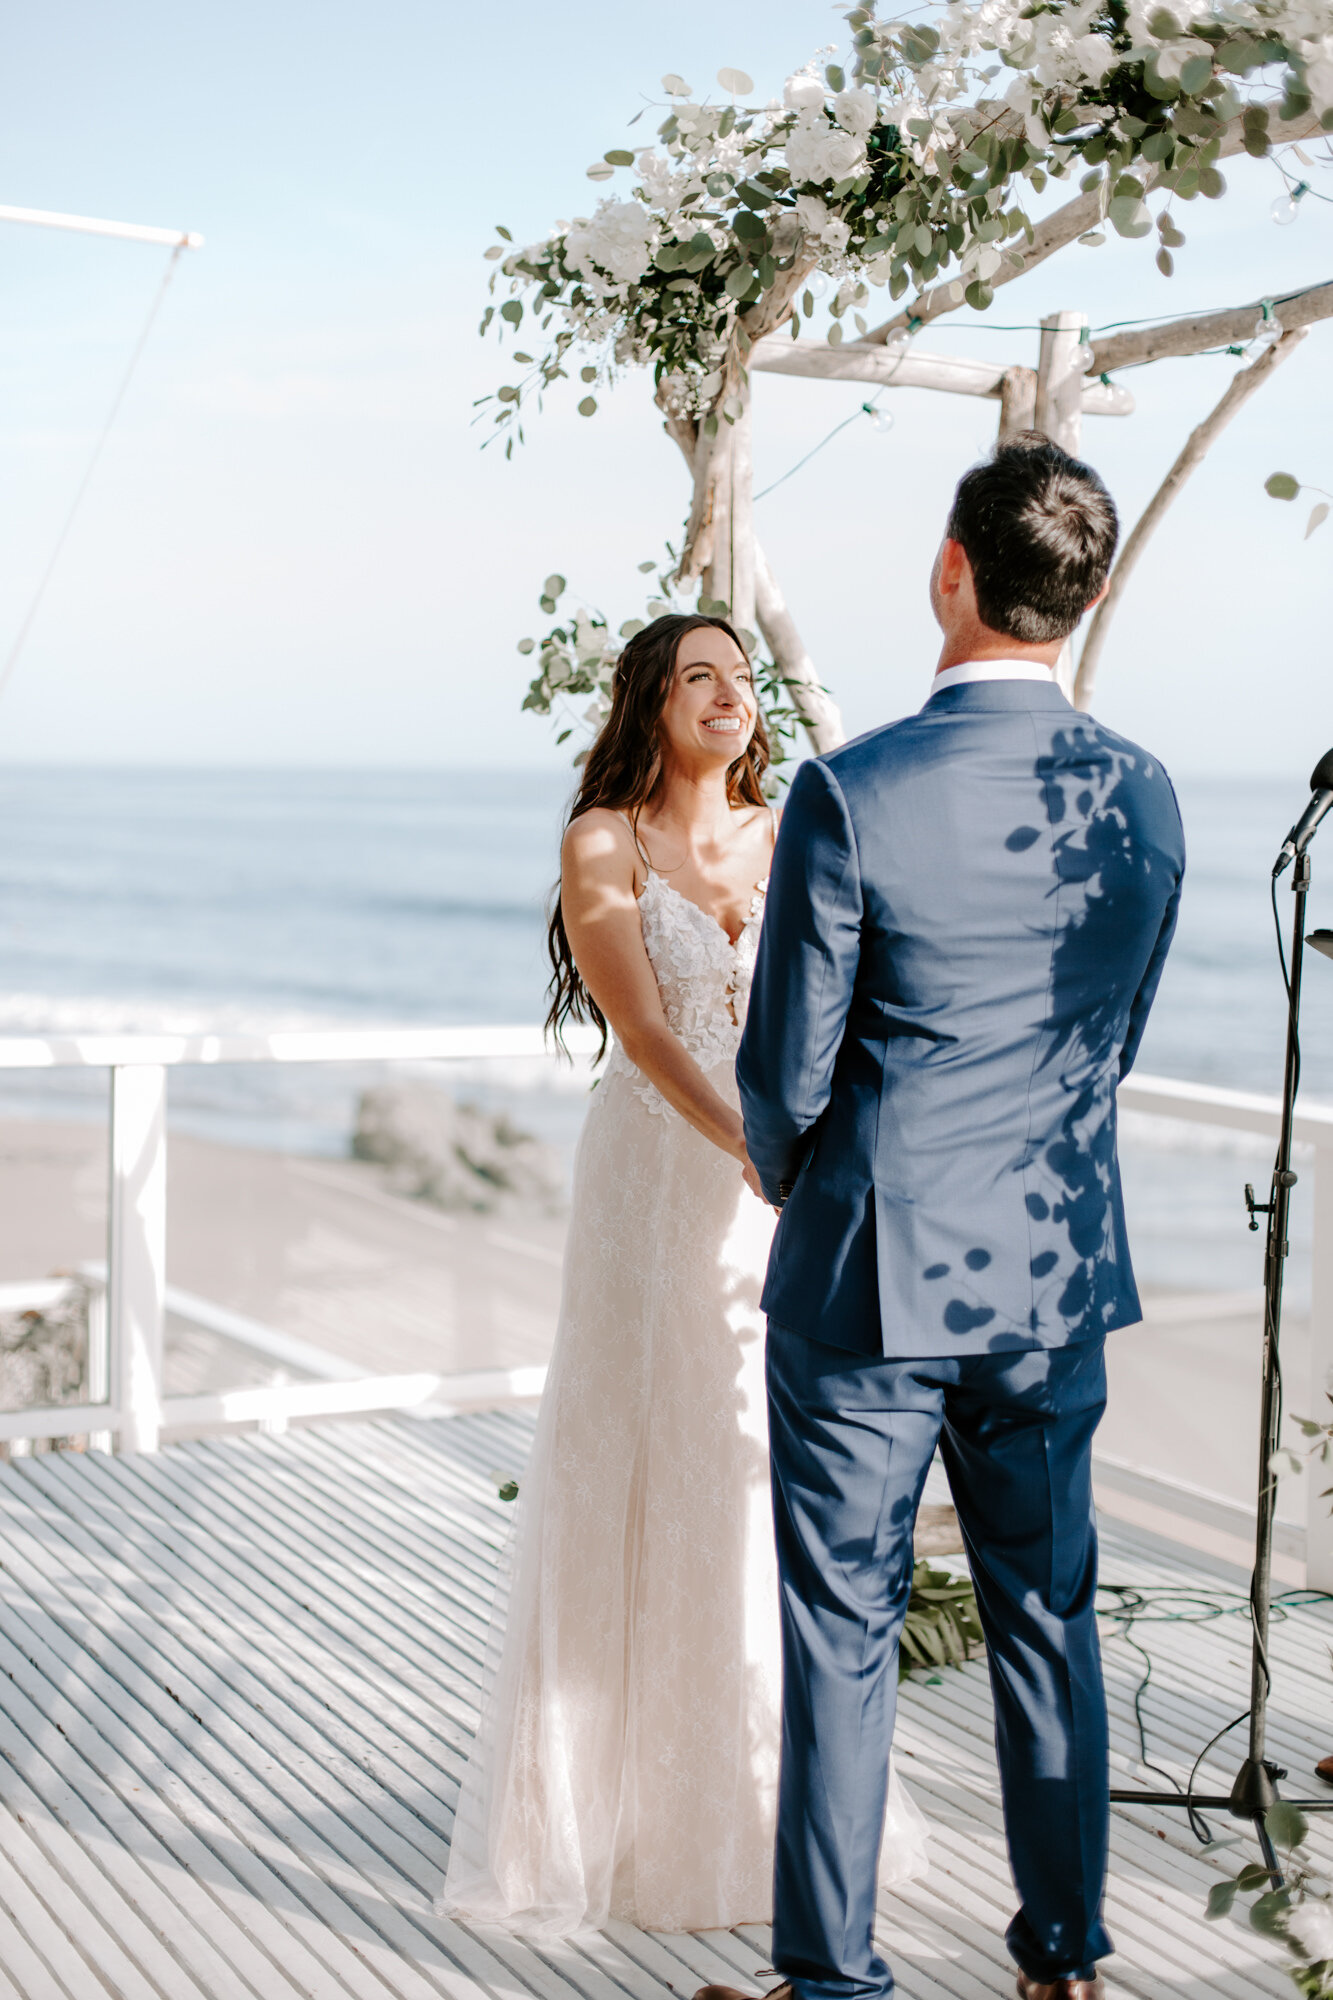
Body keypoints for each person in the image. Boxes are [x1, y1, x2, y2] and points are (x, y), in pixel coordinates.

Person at [714, 435, 1185, 2000]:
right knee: (1046, 1615)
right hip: (1050, 1276)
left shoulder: (854, 791)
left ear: (948, 566)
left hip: (864, 1281)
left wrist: (798, 1176)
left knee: (841, 1628)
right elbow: (1107, 1040)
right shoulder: (1144, 797)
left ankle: (834, 1980)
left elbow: (782, 1069)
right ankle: (1063, 1961)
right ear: (1093, 596)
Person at [438, 612, 927, 1937]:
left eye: (739, 675)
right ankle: (619, 1818)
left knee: (762, 1467)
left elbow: (859, 999)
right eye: (698, 676)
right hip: (661, 1179)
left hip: (784, 1184)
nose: (729, 693)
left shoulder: (795, 833)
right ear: (651, 703)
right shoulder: (603, 841)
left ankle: (769, 1798)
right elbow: (644, 1028)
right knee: (652, 1453)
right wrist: (753, 1144)